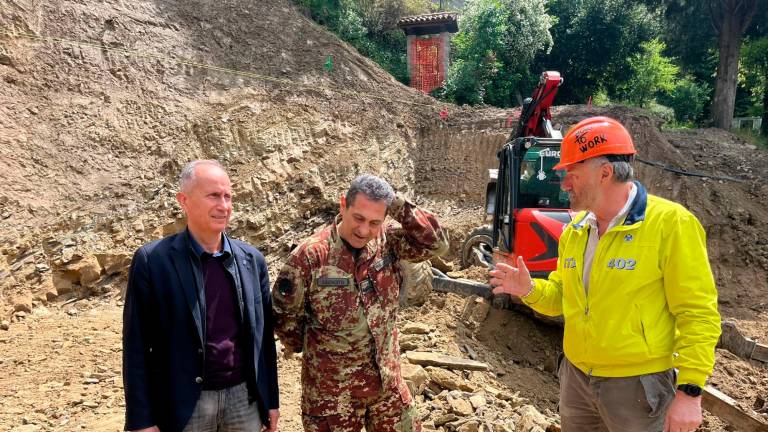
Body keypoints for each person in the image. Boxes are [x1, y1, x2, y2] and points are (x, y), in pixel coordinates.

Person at [489, 117, 721, 432]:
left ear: (605, 173)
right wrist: (529, 290)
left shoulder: (670, 225)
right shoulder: (576, 230)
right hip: (577, 378)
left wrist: (690, 391)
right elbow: (561, 299)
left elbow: (698, 313)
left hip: (637, 388)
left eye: (571, 173)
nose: (564, 184)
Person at [272, 173, 449, 432]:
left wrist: (398, 204)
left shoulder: (388, 242)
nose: (364, 230)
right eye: (358, 218)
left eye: (375, 222)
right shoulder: (310, 257)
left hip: (386, 386)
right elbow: (284, 316)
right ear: (343, 204)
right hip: (332, 398)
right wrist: (321, 353)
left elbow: (438, 244)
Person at [122, 160, 280, 432]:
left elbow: (263, 341)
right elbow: (136, 347)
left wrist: (271, 400)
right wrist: (142, 420)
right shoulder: (153, 261)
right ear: (184, 200)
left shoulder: (252, 260)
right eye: (213, 196)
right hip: (184, 406)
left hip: (244, 402)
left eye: (228, 196)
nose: (224, 205)